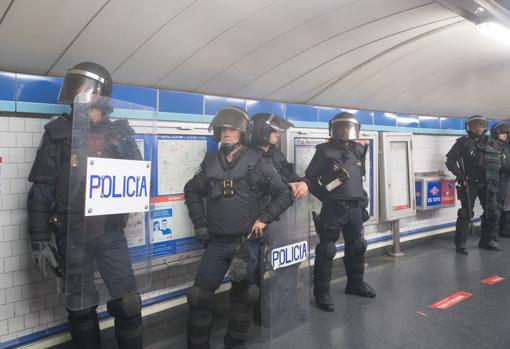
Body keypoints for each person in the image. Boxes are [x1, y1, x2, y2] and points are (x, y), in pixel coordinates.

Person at [27, 62, 144, 349]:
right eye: (76, 90)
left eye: (84, 90)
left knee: (128, 303)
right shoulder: (57, 134)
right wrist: (39, 240)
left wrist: (136, 198)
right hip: (72, 233)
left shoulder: (120, 135)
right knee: (80, 309)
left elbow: (139, 176)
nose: (78, 95)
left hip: (110, 232)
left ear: (100, 94)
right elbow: (40, 192)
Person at [184, 106, 293, 349]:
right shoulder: (211, 161)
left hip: (245, 243)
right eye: (223, 129)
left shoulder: (257, 162)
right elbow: (191, 190)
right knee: (199, 296)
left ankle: (234, 343)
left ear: (243, 133)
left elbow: (284, 194)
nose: (226, 133)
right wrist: (199, 223)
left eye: (232, 129)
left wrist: (264, 218)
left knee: (245, 295)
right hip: (216, 243)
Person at [305, 112, 375, 312]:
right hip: (333, 209)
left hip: (355, 209)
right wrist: (325, 197)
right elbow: (309, 178)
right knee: (327, 250)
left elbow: (359, 178)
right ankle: (322, 292)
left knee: (358, 246)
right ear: (333, 130)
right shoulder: (325, 151)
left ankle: (355, 284)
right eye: (341, 127)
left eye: (348, 127)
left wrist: (362, 200)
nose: (345, 131)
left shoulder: (359, 150)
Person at [250, 112, 309, 323]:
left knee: (287, 264)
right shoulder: (248, 156)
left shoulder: (277, 156)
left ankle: (282, 306)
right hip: (257, 222)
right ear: (262, 131)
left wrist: (302, 183)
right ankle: (262, 313)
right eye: (274, 130)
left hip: (281, 221)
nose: (277, 134)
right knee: (258, 270)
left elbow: (290, 178)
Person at [446, 115, 503, 255]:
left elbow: (499, 158)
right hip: (469, 182)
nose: (479, 128)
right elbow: (450, 160)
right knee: (466, 213)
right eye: (476, 126)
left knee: (493, 212)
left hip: (487, 182)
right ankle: (461, 243)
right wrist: (460, 175)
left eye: (481, 126)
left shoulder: (491, 141)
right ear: (470, 127)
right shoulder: (462, 143)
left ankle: (486, 240)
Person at [490, 122, 510, 239]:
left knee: (506, 206)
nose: (505, 135)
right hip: (497, 179)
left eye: (506, 133)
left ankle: (505, 230)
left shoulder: (506, 145)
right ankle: (493, 233)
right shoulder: (492, 145)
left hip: (506, 178)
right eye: (503, 133)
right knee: (496, 206)